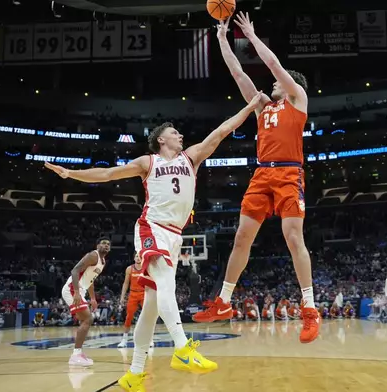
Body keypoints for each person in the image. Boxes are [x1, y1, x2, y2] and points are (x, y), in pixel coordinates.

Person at [44, 92, 263, 392]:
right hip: (152, 228)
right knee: (165, 285)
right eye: (175, 132)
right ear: (161, 139)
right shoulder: (148, 162)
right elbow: (108, 173)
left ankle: (134, 374)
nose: (181, 135)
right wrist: (71, 173)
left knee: (150, 307)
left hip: (175, 235)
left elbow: (222, 131)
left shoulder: (192, 157)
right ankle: (182, 348)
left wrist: (250, 107)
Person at [193, 12, 320, 344]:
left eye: (277, 82)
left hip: (289, 173)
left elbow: (276, 66)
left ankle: (310, 310)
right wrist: (222, 40)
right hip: (262, 174)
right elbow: (238, 73)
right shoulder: (264, 107)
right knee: (240, 239)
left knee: (293, 238)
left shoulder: (297, 100)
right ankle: (223, 302)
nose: (272, 84)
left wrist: (249, 34)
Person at [61, 237, 111, 366]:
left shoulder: (102, 261)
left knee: (86, 319)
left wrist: (93, 298)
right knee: (87, 319)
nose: (106, 245)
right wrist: (77, 292)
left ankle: (78, 353)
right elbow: (75, 271)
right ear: (97, 245)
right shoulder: (93, 255)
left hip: (80, 290)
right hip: (72, 288)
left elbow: (90, 280)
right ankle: (76, 355)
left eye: (108, 244)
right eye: (103, 243)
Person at [118, 253, 153, 348]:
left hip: (144, 293)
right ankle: (124, 340)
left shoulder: (147, 268)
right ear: (134, 258)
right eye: (137, 256)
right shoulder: (129, 269)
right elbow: (125, 283)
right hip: (133, 294)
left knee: (148, 317)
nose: (138, 258)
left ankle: (150, 340)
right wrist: (122, 297)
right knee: (129, 317)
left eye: (140, 257)